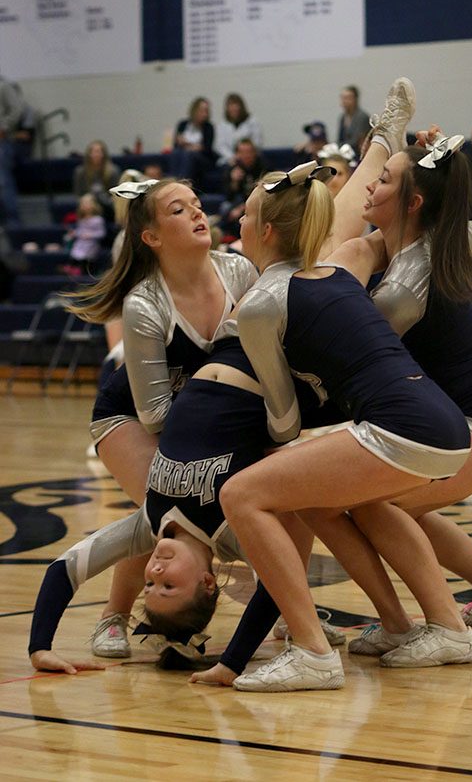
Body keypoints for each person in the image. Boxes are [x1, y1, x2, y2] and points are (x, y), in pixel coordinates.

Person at [217, 151, 472, 692]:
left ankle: (312, 650)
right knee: (321, 499)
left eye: (243, 217)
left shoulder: (261, 301)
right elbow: (461, 232)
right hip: (444, 425)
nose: (237, 225)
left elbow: (284, 419)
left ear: (266, 229)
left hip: (402, 427)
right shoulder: (344, 266)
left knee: (242, 495)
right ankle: (408, 625)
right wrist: (443, 172)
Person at [65, 175, 258, 658]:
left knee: (245, 511)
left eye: (196, 204)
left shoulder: (240, 272)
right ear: (150, 237)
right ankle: (112, 616)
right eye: (178, 210)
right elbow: (154, 416)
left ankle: (276, 612)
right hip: (130, 417)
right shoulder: (145, 302)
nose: (197, 213)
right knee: (163, 512)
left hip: (205, 422)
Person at [219, 138, 268, 239]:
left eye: (249, 152)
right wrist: (234, 181)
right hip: (237, 200)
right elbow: (228, 195)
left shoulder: (263, 167)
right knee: (225, 208)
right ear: (237, 154)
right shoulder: (232, 168)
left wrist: (242, 208)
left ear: (254, 153)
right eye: (242, 152)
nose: (246, 155)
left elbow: (265, 192)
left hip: (257, 200)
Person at [168, 97, 217, 185]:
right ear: (194, 110)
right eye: (202, 110)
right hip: (182, 153)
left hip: (202, 159)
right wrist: (190, 145)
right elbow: (176, 144)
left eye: (206, 111)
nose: (204, 114)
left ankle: (182, 184)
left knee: (189, 155)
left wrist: (187, 144)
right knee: (176, 153)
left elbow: (206, 148)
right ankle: (173, 181)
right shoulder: (183, 124)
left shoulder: (209, 127)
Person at [0, 74, 25, 226]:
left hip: (2, 142)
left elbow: (17, 109)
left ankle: (13, 223)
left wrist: (4, 127)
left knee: (3, 182)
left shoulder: (4, 86)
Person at [60, 193, 106, 276]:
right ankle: (73, 268)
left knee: (86, 256)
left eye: (88, 204)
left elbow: (101, 233)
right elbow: (80, 230)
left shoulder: (98, 220)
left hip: (91, 244)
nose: (85, 206)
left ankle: (84, 271)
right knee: (75, 251)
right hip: (81, 243)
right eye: (83, 204)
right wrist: (74, 233)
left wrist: (90, 235)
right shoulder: (81, 219)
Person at [72, 140, 119, 221]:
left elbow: (116, 194)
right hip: (88, 205)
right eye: (94, 152)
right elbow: (78, 194)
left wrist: (105, 199)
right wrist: (86, 200)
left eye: (99, 152)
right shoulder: (80, 172)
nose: (96, 155)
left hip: (107, 205)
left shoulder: (113, 171)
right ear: (89, 154)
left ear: (104, 154)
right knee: (87, 204)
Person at [214, 93, 263, 165]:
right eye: (231, 105)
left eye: (236, 105)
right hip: (229, 160)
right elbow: (220, 146)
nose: (234, 108)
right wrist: (232, 157)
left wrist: (245, 155)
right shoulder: (222, 125)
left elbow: (257, 142)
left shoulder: (252, 122)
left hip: (251, 159)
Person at [337, 85, 371, 154]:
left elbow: (357, 140)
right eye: (343, 98)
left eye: (347, 98)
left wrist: (342, 147)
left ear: (355, 99)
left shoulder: (362, 117)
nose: (344, 101)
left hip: (359, 153)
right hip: (345, 153)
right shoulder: (343, 117)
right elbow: (340, 138)